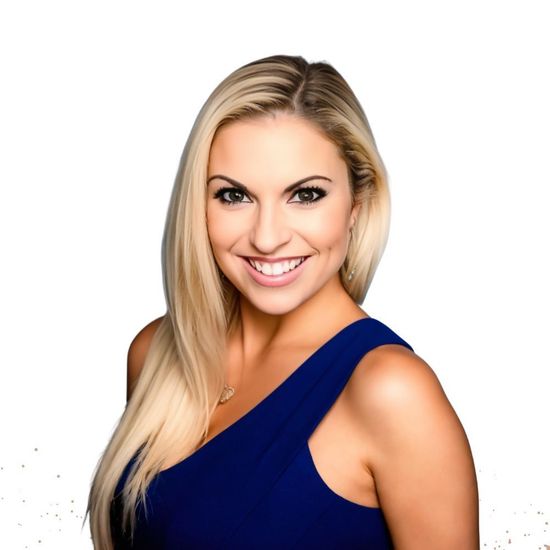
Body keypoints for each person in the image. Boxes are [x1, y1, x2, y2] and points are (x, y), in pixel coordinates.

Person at [86, 54, 479, 549]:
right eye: (233, 196)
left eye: (306, 194)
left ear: (356, 205)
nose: (267, 237)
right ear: (198, 207)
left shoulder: (391, 392)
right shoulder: (158, 353)